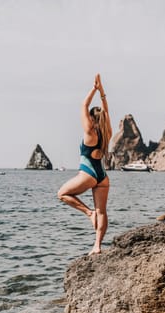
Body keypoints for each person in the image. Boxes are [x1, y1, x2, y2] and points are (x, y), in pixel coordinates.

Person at [58, 74, 112, 255]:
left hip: (87, 174)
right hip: (102, 176)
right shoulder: (107, 133)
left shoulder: (90, 133)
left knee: (62, 194)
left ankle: (89, 213)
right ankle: (97, 246)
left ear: (92, 119)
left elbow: (83, 105)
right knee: (102, 211)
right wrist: (102, 91)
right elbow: (106, 111)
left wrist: (94, 89)